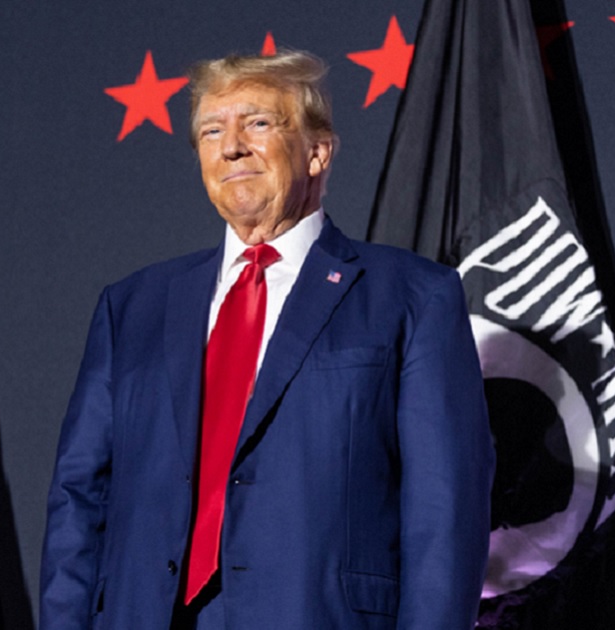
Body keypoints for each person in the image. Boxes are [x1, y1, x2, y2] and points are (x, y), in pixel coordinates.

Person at [40, 49, 494, 629]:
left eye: (256, 123)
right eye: (211, 130)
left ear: (317, 153)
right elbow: (80, 500)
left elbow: (444, 509)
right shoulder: (132, 307)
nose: (230, 146)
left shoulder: (411, 298)